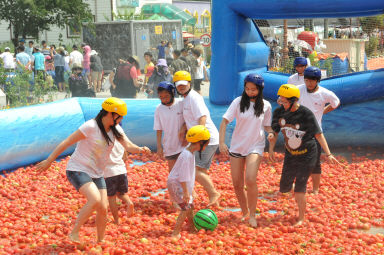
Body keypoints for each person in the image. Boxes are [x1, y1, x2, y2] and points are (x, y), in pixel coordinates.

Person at [36, 98, 150, 243]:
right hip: (78, 169)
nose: (121, 119)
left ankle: (100, 240)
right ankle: (74, 233)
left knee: (103, 207)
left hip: (97, 173)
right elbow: (67, 142)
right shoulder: (90, 126)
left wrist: (140, 149)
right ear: (110, 113)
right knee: (95, 199)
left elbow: (128, 146)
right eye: (119, 116)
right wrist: (49, 160)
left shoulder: (116, 130)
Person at [268, 84, 340, 226]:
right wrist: (270, 147)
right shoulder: (279, 113)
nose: (281, 103)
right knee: (284, 188)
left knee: (300, 188)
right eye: (280, 100)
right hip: (290, 154)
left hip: (308, 154)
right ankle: (298, 190)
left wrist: (329, 154)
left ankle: (301, 218)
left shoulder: (306, 114)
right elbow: (274, 132)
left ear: (294, 101)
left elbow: (319, 135)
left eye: (284, 101)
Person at [218, 74, 273, 228]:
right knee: (236, 183)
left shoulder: (266, 105)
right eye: (247, 89)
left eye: (253, 89)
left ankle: (253, 215)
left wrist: (271, 133)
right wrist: (222, 142)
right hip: (237, 146)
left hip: (255, 145)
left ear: (260, 89)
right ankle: (245, 212)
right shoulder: (237, 102)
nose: (250, 92)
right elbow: (224, 122)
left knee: (250, 179)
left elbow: (267, 125)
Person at [174, 71, 221, 207]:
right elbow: (190, 119)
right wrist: (183, 128)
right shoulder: (185, 100)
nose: (181, 87)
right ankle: (214, 201)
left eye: (184, 84)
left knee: (196, 170)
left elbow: (202, 117)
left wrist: (200, 139)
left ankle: (213, 194)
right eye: (178, 85)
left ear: (190, 83)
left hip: (207, 139)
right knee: (200, 170)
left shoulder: (194, 98)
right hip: (200, 138)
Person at [297, 66, 340, 194]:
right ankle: (300, 187)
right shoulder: (298, 90)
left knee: (315, 163)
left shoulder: (325, 93)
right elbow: (284, 100)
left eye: (312, 81)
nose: (309, 83)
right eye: (306, 80)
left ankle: (315, 189)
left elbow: (335, 103)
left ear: (318, 80)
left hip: (314, 133)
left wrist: (323, 112)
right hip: (297, 133)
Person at [167, 125, 210, 239]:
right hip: (177, 185)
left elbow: (188, 175)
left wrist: (191, 190)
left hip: (180, 184)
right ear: (200, 142)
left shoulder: (189, 153)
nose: (206, 146)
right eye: (205, 144)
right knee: (185, 208)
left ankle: (191, 227)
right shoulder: (187, 156)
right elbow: (183, 177)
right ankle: (175, 232)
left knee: (190, 206)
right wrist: (186, 192)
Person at [154, 81, 185, 171]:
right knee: (172, 172)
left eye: (166, 96)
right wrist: (159, 146)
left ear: (172, 93)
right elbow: (158, 129)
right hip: (170, 145)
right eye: (161, 97)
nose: (164, 99)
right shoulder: (159, 109)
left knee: (184, 171)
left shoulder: (181, 104)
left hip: (184, 143)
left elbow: (190, 120)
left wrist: (183, 128)